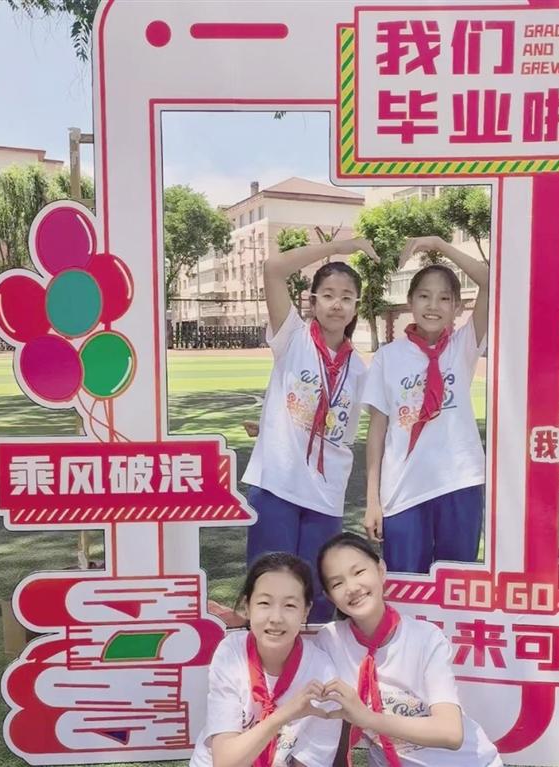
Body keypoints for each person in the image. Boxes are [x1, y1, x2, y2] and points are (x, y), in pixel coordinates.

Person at [242, 238, 377, 621]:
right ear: (313, 301)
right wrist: (343, 244)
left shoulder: (359, 369)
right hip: (277, 485)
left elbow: (344, 430)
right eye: (328, 295)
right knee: (270, 586)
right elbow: (273, 268)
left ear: (356, 308)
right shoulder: (293, 336)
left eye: (347, 298)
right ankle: (265, 659)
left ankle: (314, 659)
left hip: (326, 493)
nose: (337, 304)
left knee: (319, 594)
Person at [314, 532, 502, 767]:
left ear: (381, 570)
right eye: (337, 583)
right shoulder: (330, 641)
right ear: (329, 597)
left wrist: (368, 718)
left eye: (359, 572)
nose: (351, 587)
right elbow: (330, 719)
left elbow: (451, 733)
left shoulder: (425, 637)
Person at [363, 235, 489, 573]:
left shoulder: (463, 347)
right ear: (410, 301)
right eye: (424, 296)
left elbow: (490, 280)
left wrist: (439, 244)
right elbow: (377, 432)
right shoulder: (388, 357)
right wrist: (373, 500)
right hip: (403, 490)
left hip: (459, 483)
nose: (433, 305)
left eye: (444, 298)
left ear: (457, 307)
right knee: (405, 586)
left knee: (455, 585)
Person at [189, 552, 341, 767]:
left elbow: (310, 761)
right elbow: (225, 762)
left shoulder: (322, 671)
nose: (276, 618)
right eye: (264, 603)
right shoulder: (231, 653)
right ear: (247, 606)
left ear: (306, 611)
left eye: (290, 605)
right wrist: (286, 714)